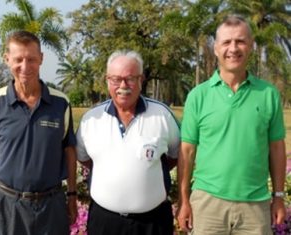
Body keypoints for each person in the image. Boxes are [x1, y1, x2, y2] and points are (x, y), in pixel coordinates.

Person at [176, 15, 286, 235]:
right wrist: (184, 200)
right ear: (216, 48)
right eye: (226, 42)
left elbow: (276, 148)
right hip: (208, 205)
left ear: (251, 47)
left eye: (240, 41)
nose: (233, 48)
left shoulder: (268, 95)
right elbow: (186, 152)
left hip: (255, 208)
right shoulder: (199, 96)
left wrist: (279, 197)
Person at [0, 31, 77, 235]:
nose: (25, 66)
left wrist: (72, 196)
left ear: (41, 59)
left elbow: (69, 151)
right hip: (8, 205)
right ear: (7, 59)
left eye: (31, 59)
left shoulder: (61, 102)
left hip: (52, 205)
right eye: (18, 59)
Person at [76, 50, 180, 235]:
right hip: (104, 222)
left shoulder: (162, 115)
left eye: (130, 78)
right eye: (116, 79)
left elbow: (175, 156)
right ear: (107, 80)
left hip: (153, 223)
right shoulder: (90, 119)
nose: (123, 85)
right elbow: (84, 159)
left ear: (141, 80)